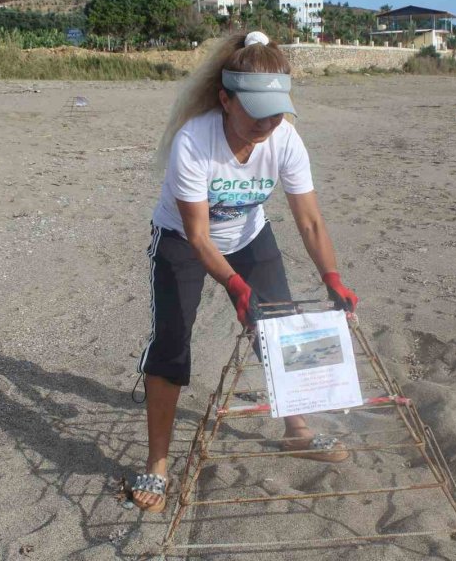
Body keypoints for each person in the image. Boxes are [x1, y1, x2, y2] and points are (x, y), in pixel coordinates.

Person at [132, 31, 359, 513]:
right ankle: (156, 465)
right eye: (255, 111)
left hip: (250, 235)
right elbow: (197, 237)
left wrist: (332, 277)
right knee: (172, 343)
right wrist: (235, 287)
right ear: (225, 100)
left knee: (282, 327)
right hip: (183, 240)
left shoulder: (284, 138)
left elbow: (310, 219)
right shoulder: (194, 141)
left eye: (275, 112)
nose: (266, 122)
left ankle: (297, 429)